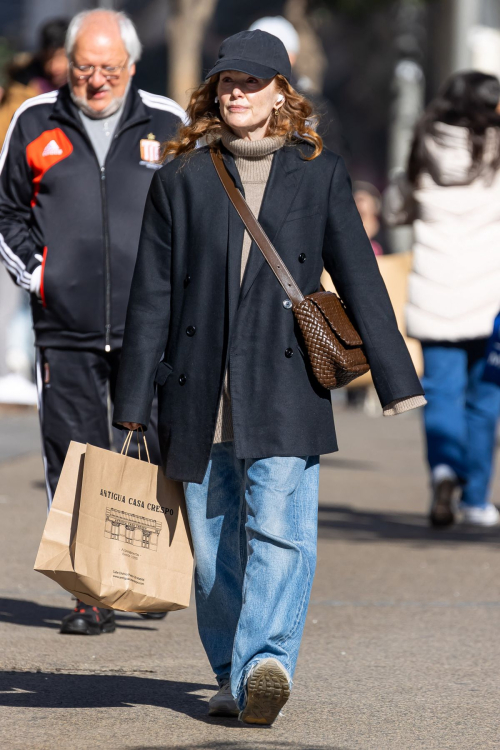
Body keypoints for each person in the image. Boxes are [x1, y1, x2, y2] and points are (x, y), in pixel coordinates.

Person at [113, 29, 424, 725]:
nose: (236, 93)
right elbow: (152, 294)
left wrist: (397, 379)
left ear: (282, 91)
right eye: (227, 82)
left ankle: (267, 663)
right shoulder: (183, 177)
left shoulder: (319, 172)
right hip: (195, 391)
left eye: (251, 82)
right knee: (212, 555)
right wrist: (132, 403)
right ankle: (231, 672)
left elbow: (360, 279)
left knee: (282, 532)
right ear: (212, 91)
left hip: (284, 387)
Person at [0, 9, 185, 634]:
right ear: (66, 67)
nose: (97, 80)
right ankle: (90, 595)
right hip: (66, 324)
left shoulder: (167, 121)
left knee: (149, 446)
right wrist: (40, 274)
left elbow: (198, 213)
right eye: (85, 68)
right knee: (74, 455)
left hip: (150, 324)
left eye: (109, 69)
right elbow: (7, 213)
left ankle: (142, 574)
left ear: (131, 66)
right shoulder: (34, 121)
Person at [387, 71, 500, 528]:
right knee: (485, 398)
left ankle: (443, 470)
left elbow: (397, 207)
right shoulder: (496, 149)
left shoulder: (423, 144)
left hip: (435, 293)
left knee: (441, 394)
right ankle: (476, 500)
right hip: (489, 294)